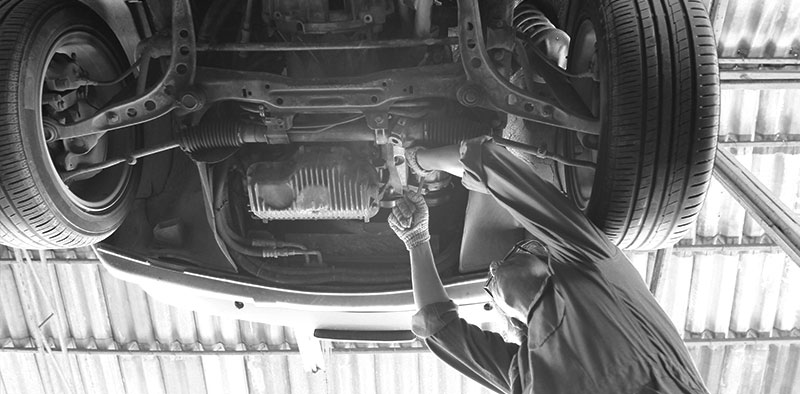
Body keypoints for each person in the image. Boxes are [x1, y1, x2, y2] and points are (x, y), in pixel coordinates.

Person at [388, 136, 709, 394]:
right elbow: (489, 163)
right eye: (515, 254)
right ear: (546, 259)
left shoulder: (524, 374)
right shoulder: (592, 266)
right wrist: (420, 161)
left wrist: (416, 239)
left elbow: (438, 329)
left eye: (490, 281)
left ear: (510, 320)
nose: (493, 266)